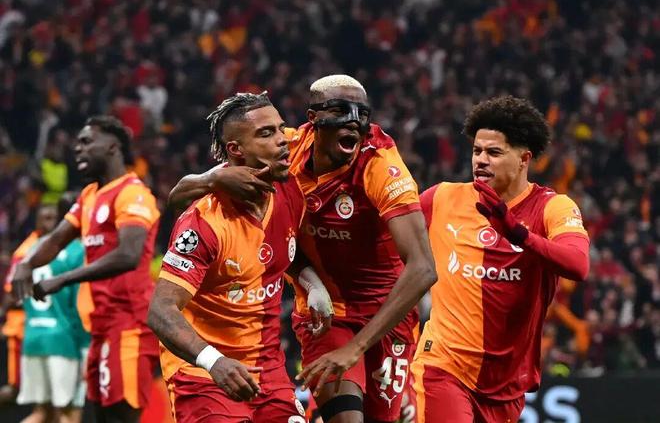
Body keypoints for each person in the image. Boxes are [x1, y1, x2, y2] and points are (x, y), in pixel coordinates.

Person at [169, 75, 437, 423]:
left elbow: (423, 268)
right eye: (340, 111)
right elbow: (178, 197)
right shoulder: (287, 151)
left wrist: (354, 349)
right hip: (326, 317)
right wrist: (212, 178)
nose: (353, 121)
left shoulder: (381, 165)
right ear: (313, 119)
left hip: (387, 315)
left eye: (362, 113)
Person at [147, 92, 332, 423]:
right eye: (266, 133)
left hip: (269, 372)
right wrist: (213, 361)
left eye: (281, 129)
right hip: (205, 376)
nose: (282, 140)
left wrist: (312, 283)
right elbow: (160, 311)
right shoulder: (204, 220)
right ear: (236, 149)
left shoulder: (290, 190)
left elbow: (281, 251)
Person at [412, 96, 590, 422]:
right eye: (477, 151)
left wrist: (517, 233)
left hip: (506, 386)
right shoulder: (442, 198)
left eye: (493, 153)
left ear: (524, 159)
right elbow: (384, 235)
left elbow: (577, 265)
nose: (481, 160)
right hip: (443, 366)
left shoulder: (552, 208)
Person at [12, 116, 161, 423]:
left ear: (113, 147)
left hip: (129, 324)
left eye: (86, 142)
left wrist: (63, 279)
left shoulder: (133, 193)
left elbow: (129, 255)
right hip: (99, 325)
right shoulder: (89, 195)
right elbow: (56, 240)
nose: (77, 149)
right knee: (98, 415)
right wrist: (26, 264)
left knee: (121, 416)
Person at [16, 193, 89, 423]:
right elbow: (79, 305)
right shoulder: (77, 251)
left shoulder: (32, 250)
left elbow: (17, 295)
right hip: (63, 341)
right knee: (68, 414)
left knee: (41, 413)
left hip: (33, 336)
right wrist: (85, 347)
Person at [0, 204, 60, 407]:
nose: (51, 223)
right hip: (23, 326)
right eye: (46, 218)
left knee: (48, 397)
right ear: (37, 222)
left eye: (54, 218)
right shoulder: (26, 251)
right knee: (16, 388)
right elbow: (12, 293)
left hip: (48, 327)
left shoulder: (58, 245)